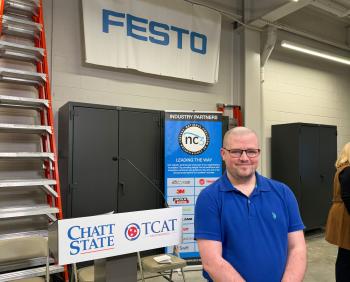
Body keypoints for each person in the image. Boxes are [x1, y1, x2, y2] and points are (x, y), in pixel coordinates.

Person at [194, 127, 307, 282]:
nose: (244, 158)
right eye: (236, 151)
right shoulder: (209, 198)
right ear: (223, 154)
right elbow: (212, 262)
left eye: (251, 151)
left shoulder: (283, 193)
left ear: (258, 153)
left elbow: (297, 248)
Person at [325, 142, 350, 282]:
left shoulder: (342, 169)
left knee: (345, 251)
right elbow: (347, 196)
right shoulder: (348, 170)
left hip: (341, 211)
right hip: (345, 213)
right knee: (346, 252)